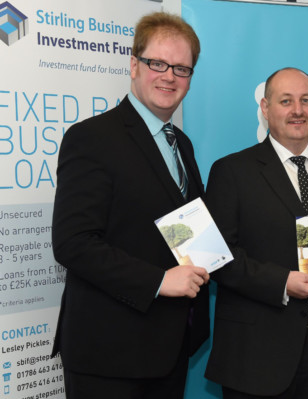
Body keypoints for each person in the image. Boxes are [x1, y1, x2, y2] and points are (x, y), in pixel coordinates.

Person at [51, 12, 210, 399]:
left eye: (181, 68)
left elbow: (178, 225)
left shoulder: (181, 145)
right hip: (109, 355)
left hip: (169, 348)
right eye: (158, 63)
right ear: (134, 65)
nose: (169, 76)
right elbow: (73, 242)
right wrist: (158, 281)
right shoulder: (92, 138)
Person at [204, 67, 308, 398]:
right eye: (286, 101)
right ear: (265, 109)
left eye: (306, 100)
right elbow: (216, 256)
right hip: (255, 354)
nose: (298, 110)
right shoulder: (232, 171)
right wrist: (282, 282)